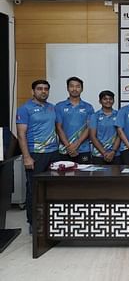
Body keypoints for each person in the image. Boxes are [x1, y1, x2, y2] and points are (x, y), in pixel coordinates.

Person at [16, 80, 59, 231]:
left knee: (52, 187)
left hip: (53, 153)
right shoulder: (24, 109)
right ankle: (33, 223)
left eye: (46, 89)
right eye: (39, 89)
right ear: (32, 91)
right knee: (34, 188)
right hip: (35, 154)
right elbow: (21, 135)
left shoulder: (52, 108)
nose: (43, 91)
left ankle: (50, 220)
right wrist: (26, 157)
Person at [55, 76, 94, 163]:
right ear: (67, 88)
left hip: (83, 149)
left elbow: (89, 127)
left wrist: (77, 144)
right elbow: (58, 128)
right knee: (64, 175)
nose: (74, 89)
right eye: (72, 86)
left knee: (83, 175)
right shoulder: (59, 106)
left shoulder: (88, 107)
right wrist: (68, 146)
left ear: (82, 89)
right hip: (64, 149)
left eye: (78, 86)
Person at [89, 90, 121, 165]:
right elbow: (92, 136)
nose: (108, 101)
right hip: (98, 154)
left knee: (116, 176)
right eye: (105, 99)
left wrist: (113, 151)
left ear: (113, 101)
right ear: (100, 101)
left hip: (115, 154)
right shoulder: (95, 116)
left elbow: (120, 135)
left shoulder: (119, 115)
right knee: (99, 177)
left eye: (110, 99)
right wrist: (104, 152)